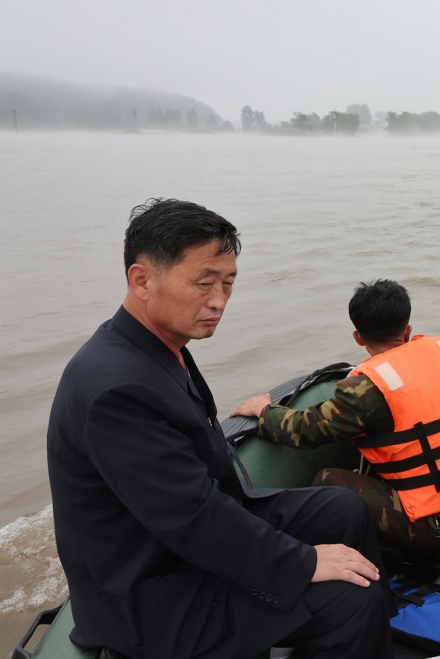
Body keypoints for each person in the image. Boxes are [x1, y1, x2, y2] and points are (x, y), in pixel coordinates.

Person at [47, 199, 394, 659]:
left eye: (227, 284)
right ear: (142, 280)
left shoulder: (159, 345)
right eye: (203, 283)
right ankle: (361, 619)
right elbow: (191, 519)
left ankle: (378, 632)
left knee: (343, 508)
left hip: (179, 543)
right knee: (350, 600)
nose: (218, 301)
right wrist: (305, 562)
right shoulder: (117, 389)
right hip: (149, 593)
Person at [231, 279, 440, 563]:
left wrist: (262, 410)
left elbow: (303, 430)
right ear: (408, 329)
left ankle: (398, 560)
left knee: (328, 480)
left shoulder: (363, 391)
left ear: (358, 337)